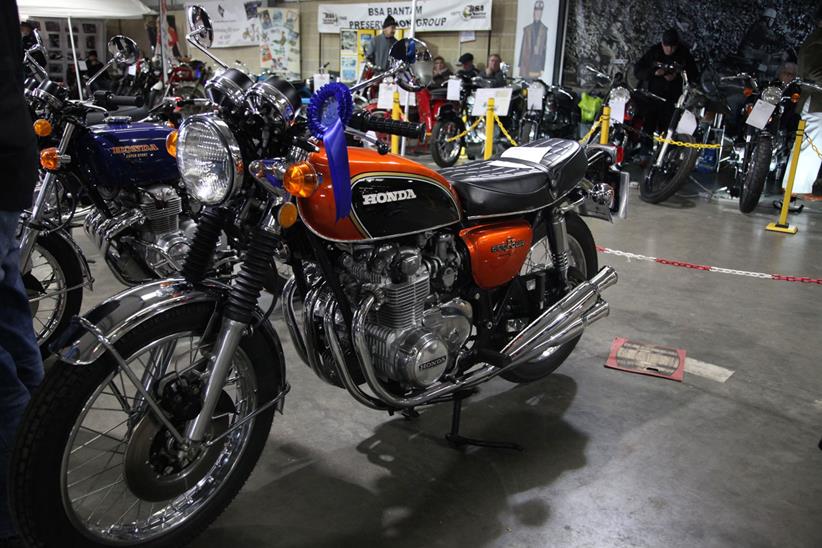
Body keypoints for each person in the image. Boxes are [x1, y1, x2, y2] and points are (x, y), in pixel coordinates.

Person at [1, 2, 45, 547]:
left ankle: (17, 516)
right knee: (11, 323)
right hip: (9, 155)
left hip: (3, 158)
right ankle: (44, 448)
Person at [781, 5, 822, 200]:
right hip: (816, 99)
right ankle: (797, 187)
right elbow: (814, 72)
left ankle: (796, 185)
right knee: (810, 145)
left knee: (811, 145)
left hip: (816, 99)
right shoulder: (818, 39)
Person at [634, 28, 699, 134]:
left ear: (677, 45)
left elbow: (694, 75)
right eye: (666, 46)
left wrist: (677, 76)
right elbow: (638, 71)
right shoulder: (655, 51)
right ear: (662, 43)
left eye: (672, 47)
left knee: (668, 133)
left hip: (672, 102)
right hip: (652, 99)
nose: (669, 50)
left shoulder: (684, 54)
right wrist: (654, 72)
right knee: (647, 131)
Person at [518, 0, 548, 79]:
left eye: (540, 11)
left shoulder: (544, 29)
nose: (538, 13)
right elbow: (522, 47)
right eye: (536, 11)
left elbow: (544, 50)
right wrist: (519, 64)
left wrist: (542, 67)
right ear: (534, 12)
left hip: (536, 63)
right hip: (526, 60)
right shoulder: (527, 29)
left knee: (535, 84)